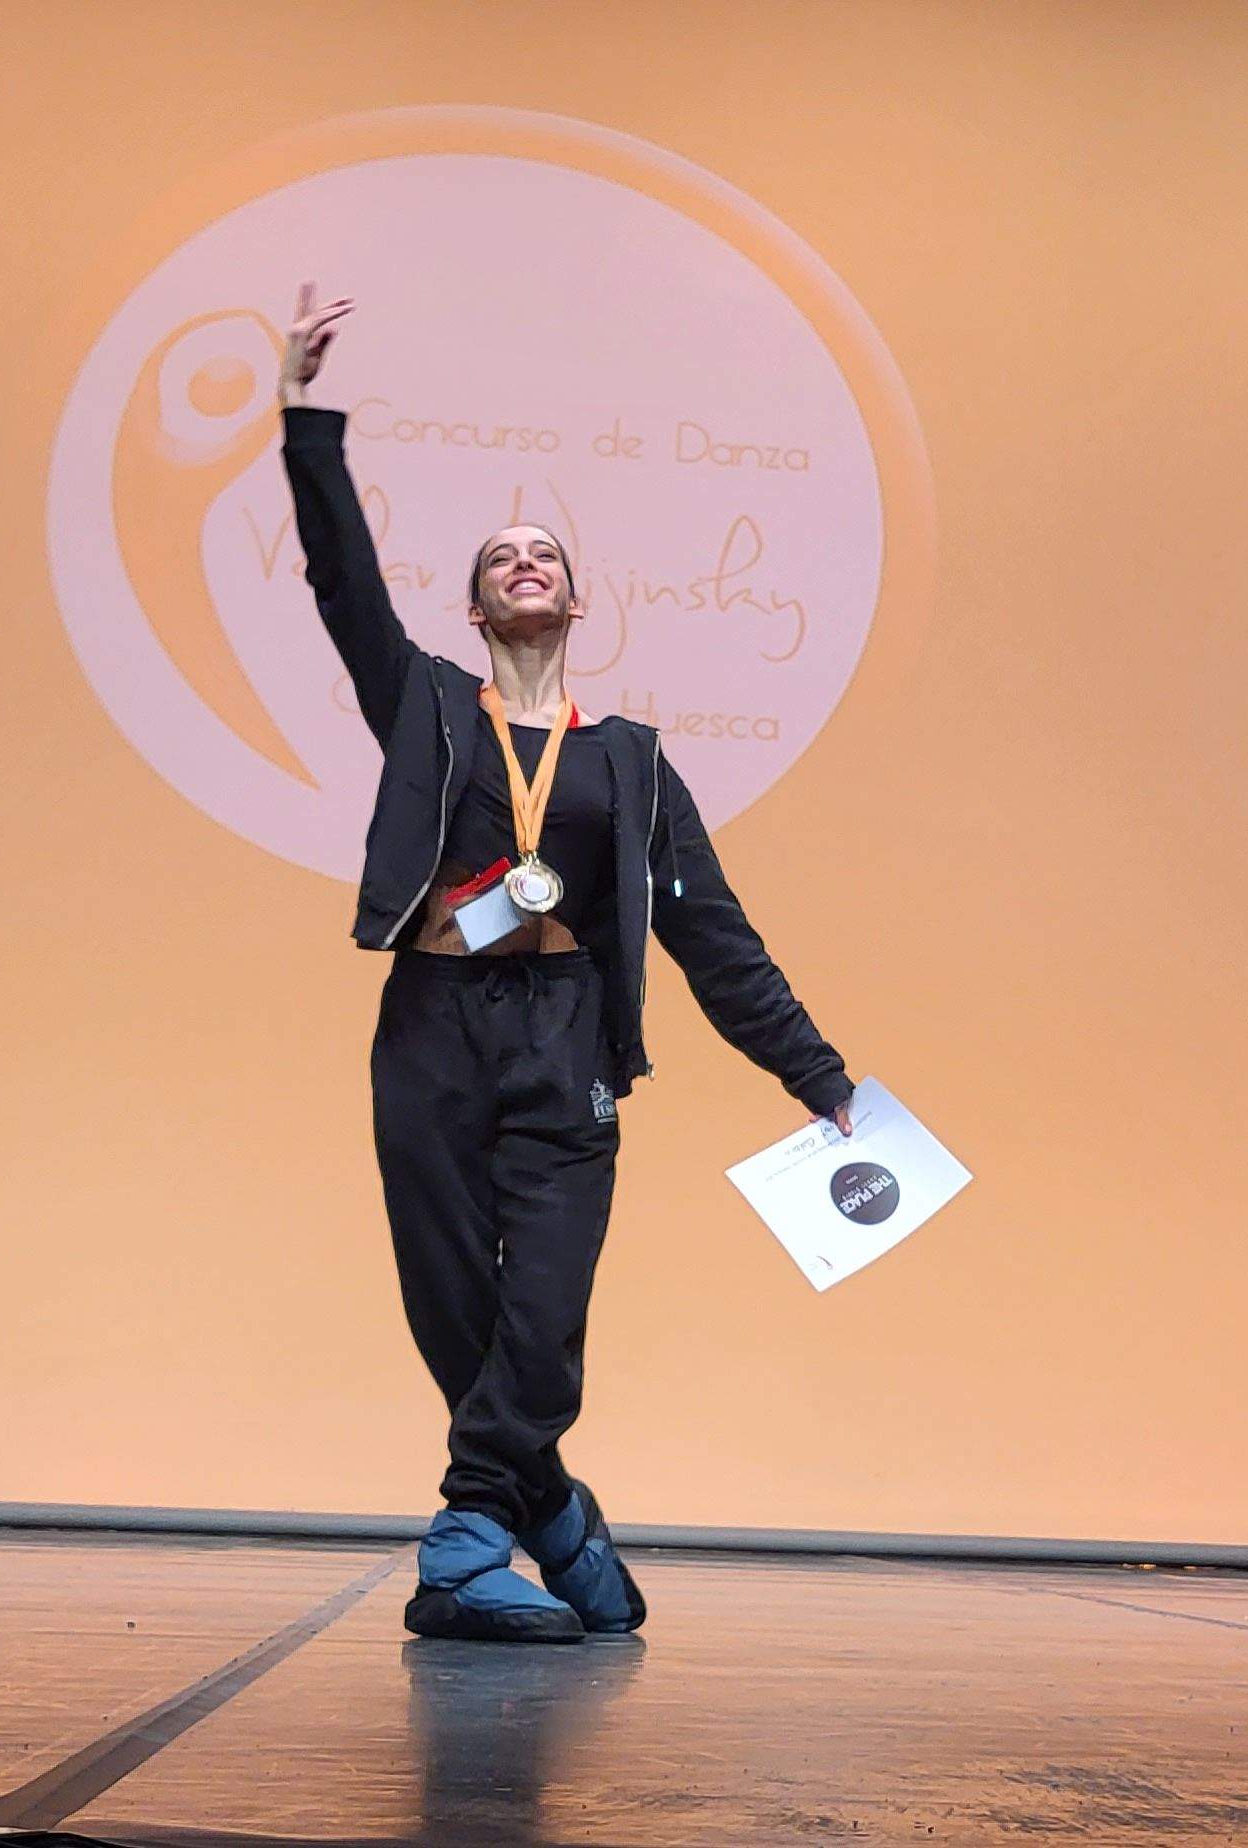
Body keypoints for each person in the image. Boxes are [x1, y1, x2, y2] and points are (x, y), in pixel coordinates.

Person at [277, 284, 861, 1643]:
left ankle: (465, 1537)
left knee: (543, 1304)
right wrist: (306, 418)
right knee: (452, 1308)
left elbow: (712, 934)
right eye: (501, 556)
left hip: (565, 1038)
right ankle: (555, 1518)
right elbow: (337, 580)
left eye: (546, 553)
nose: (525, 562)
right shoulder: (426, 701)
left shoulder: (630, 762)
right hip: (431, 1019)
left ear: (577, 601)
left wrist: (816, 1076)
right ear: (476, 606)